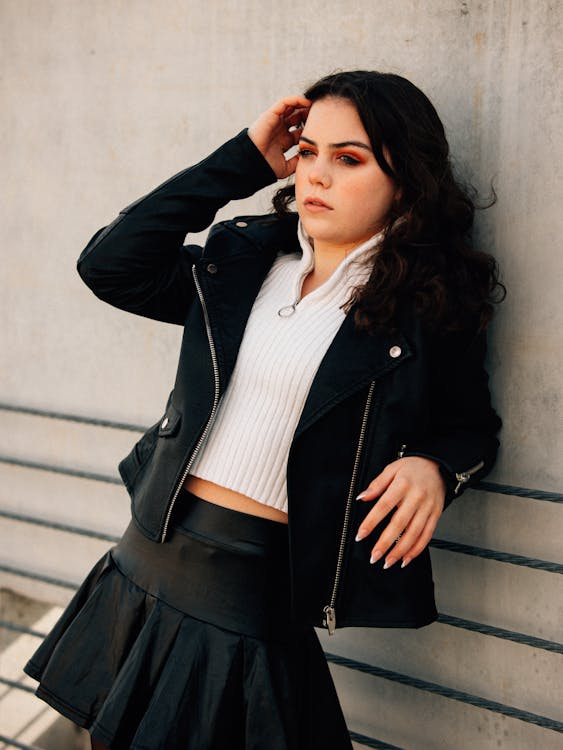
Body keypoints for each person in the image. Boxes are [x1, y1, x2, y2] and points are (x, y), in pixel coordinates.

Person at [24, 70, 503, 749]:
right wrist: (240, 161)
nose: (317, 175)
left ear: (406, 179)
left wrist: (435, 466)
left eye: (349, 159)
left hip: (252, 597)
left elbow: (471, 427)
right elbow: (112, 265)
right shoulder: (242, 264)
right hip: (147, 557)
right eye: (307, 152)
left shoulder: (424, 307)